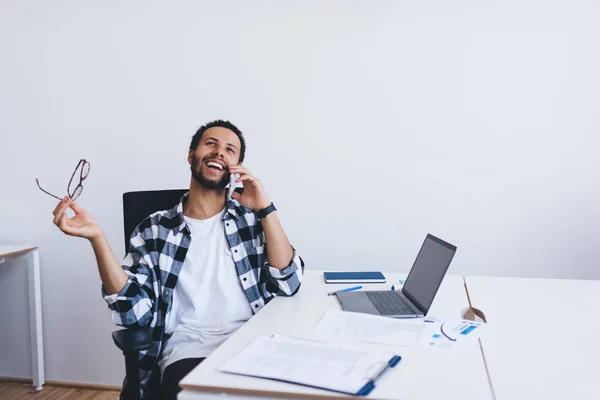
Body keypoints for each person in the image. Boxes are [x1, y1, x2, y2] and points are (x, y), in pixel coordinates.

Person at [51, 120, 304, 399]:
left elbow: (288, 283)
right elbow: (133, 311)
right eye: (211, 143)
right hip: (189, 351)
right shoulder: (154, 229)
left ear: (236, 167)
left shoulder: (252, 221)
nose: (219, 152)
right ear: (191, 155)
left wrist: (265, 209)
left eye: (229, 149)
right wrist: (97, 238)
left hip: (252, 344)